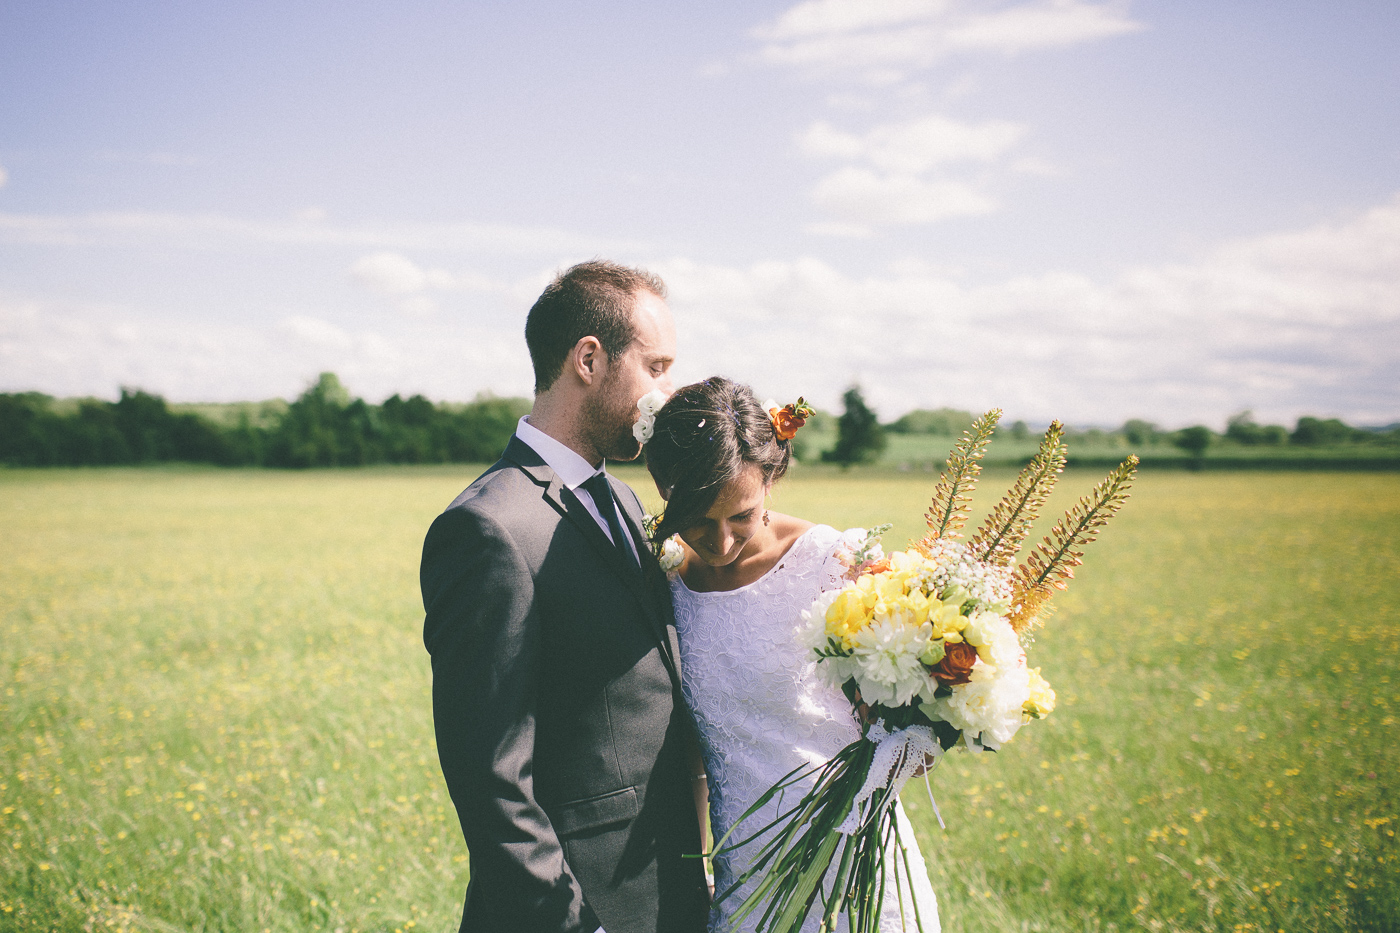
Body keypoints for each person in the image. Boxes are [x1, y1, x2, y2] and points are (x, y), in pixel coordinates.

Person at [421, 261, 710, 933]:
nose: (671, 391)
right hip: (577, 910)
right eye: (658, 366)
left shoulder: (624, 496)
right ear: (589, 359)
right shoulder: (488, 528)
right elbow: (491, 774)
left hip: (666, 893)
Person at [643, 377, 941, 933]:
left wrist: (906, 742)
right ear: (665, 489)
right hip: (746, 874)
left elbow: (917, 721)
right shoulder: (665, 579)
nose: (723, 541)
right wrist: (696, 863)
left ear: (771, 477)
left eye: (742, 516)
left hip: (858, 861)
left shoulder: (839, 564)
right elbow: (686, 748)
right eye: (698, 520)